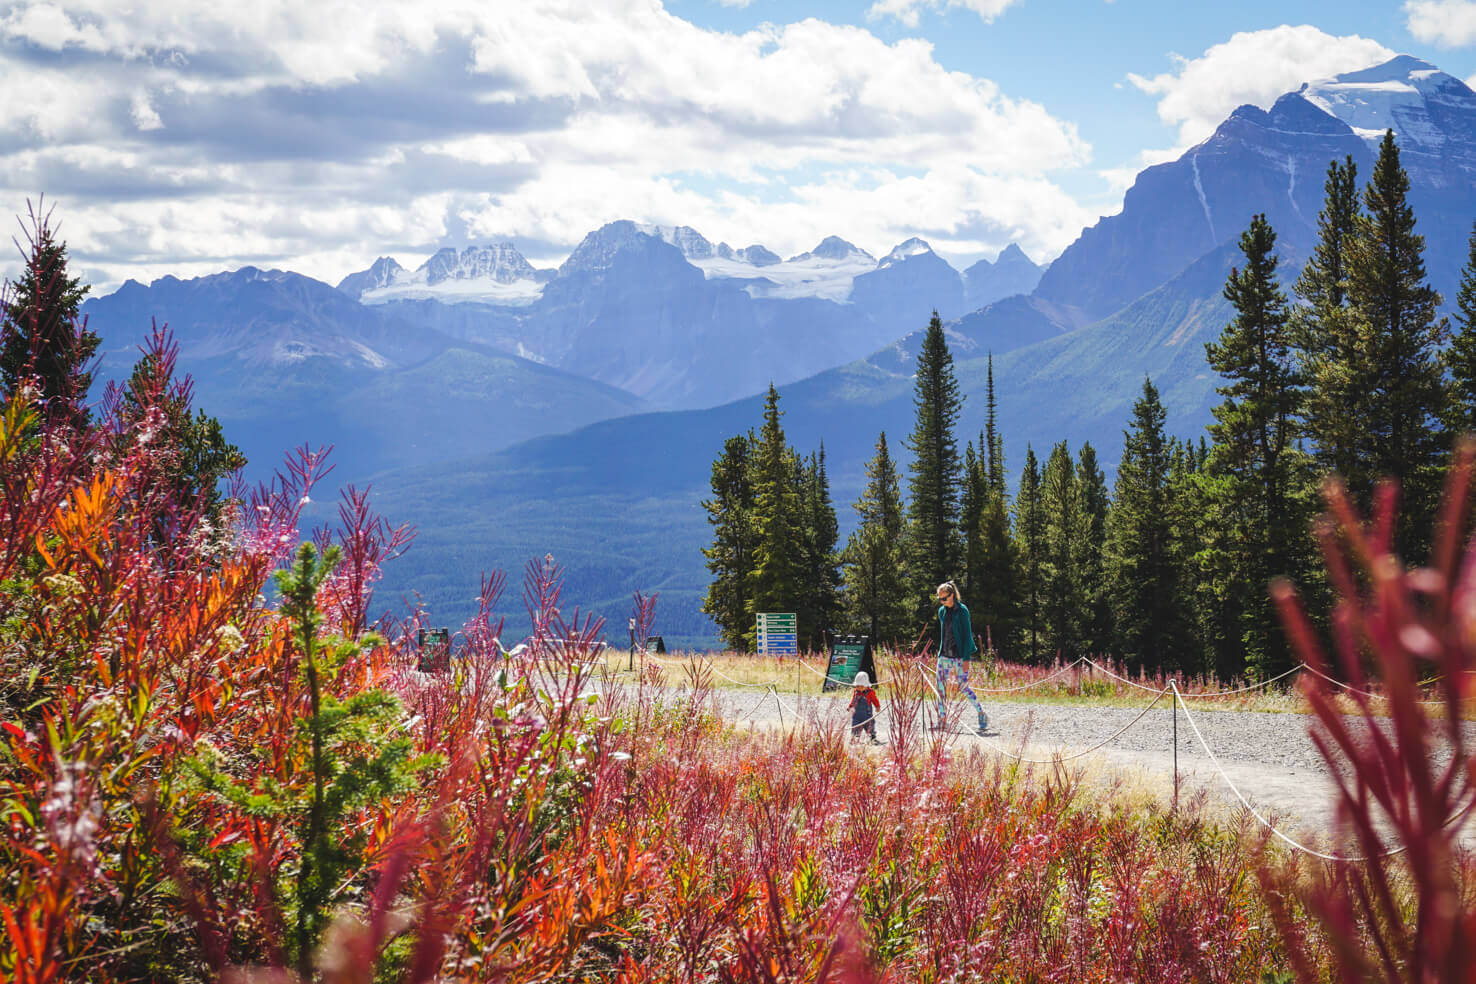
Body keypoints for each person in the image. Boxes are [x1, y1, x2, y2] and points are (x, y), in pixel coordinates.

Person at [935, 581, 988, 734]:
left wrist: (966, 659)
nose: (942, 602)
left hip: (959, 656)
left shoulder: (963, 611)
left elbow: (966, 636)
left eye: (944, 598)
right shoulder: (942, 612)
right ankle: (943, 719)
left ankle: (981, 712)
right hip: (944, 655)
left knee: (963, 687)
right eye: (940, 599)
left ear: (952, 596)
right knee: (940, 688)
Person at [849, 670, 881, 744]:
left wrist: (877, 706)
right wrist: (850, 706)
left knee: (870, 726)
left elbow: (874, 700)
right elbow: (853, 700)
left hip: (867, 714)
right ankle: (854, 738)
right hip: (856, 714)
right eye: (857, 686)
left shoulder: (870, 692)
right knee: (855, 725)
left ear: (866, 685)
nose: (859, 688)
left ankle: (873, 738)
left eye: (861, 686)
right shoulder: (856, 692)